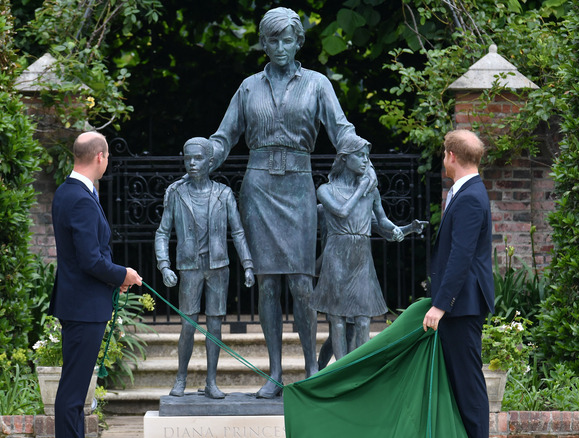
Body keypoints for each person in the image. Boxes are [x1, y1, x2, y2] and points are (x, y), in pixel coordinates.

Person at [207, 6, 366, 398]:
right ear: (263, 43)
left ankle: (312, 368)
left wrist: (362, 155)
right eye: (273, 40)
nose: (280, 47)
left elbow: (341, 129)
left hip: (297, 187)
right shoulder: (248, 87)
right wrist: (201, 158)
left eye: (288, 39)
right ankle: (275, 372)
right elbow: (224, 137)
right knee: (267, 284)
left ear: (299, 42)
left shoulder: (316, 84)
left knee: (301, 282)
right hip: (258, 188)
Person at [50, 131, 143, 438]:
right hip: (83, 307)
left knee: (74, 390)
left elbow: (82, 258)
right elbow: (91, 260)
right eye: (108, 157)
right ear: (100, 156)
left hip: (79, 302)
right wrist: (123, 275)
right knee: (74, 392)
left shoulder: (68, 191)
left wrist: (112, 277)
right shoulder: (80, 198)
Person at [155, 137, 255, 399]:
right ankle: (181, 378)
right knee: (188, 326)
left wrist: (247, 264)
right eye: (187, 158)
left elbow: (239, 232)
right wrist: (164, 265)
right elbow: (162, 233)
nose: (192, 163)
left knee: (215, 327)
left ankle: (211, 382)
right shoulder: (176, 194)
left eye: (197, 158)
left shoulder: (223, 194)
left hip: (219, 267)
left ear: (210, 162)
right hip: (189, 268)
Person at [422, 129, 495, 438]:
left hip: (462, 306)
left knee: (468, 387)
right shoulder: (465, 192)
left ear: (451, 156)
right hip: (460, 304)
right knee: (459, 384)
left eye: (443, 154)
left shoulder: (470, 198)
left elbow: (460, 257)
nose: (443, 159)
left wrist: (440, 305)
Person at [311, 135, 404, 361]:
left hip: (361, 256)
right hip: (336, 255)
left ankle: (360, 368)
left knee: (363, 319)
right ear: (344, 158)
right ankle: (341, 370)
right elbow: (342, 212)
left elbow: (382, 222)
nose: (365, 161)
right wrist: (362, 187)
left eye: (367, 156)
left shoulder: (371, 192)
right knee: (338, 319)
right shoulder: (326, 190)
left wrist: (406, 229)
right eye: (360, 155)